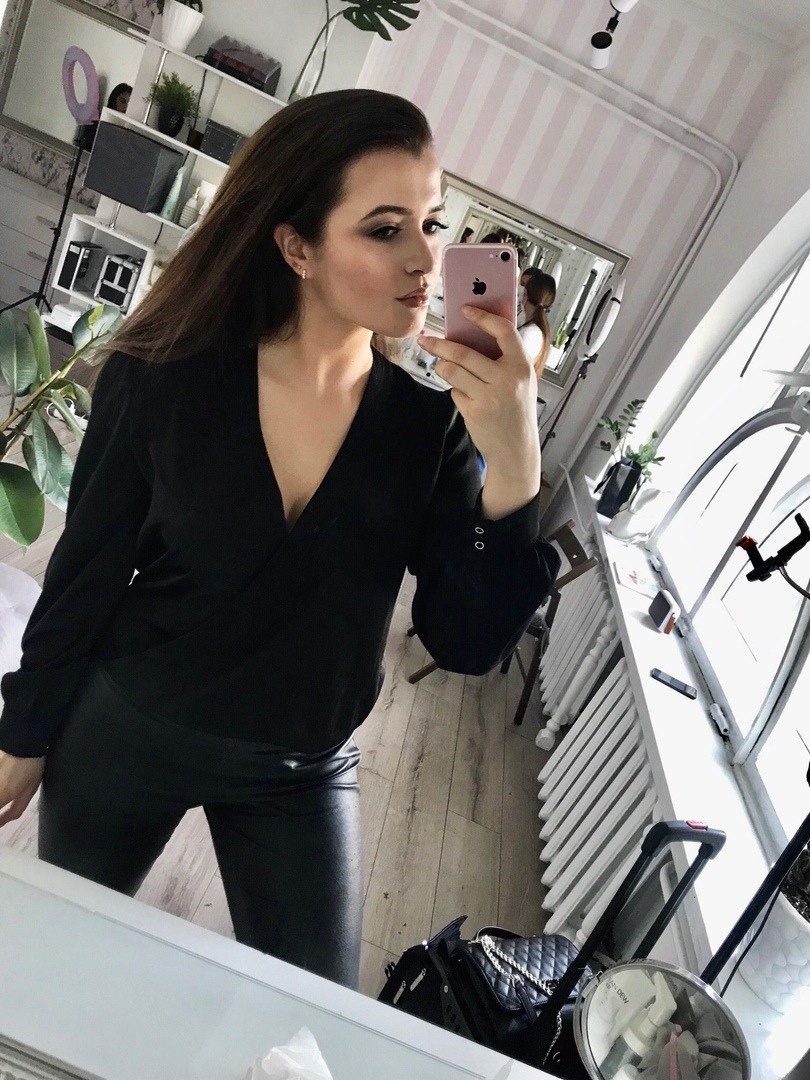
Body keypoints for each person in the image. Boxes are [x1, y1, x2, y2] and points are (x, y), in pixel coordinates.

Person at [0, 90, 559, 991]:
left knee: (313, 1013)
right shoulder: (161, 378)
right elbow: (85, 574)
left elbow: (463, 642)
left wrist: (516, 460)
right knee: (59, 970)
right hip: (132, 725)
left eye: (431, 223)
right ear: (297, 247)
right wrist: (24, 732)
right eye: (386, 230)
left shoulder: (428, 433)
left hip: (299, 766)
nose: (427, 259)